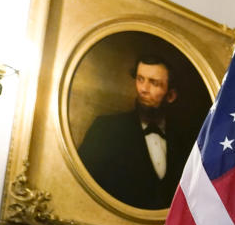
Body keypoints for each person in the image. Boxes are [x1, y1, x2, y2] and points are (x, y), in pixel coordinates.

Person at [77, 55, 196, 210]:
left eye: (154, 83)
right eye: (140, 79)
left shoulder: (187, 141)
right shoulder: (105, 129)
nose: (143, 89)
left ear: (171, 96)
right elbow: (82, 188)